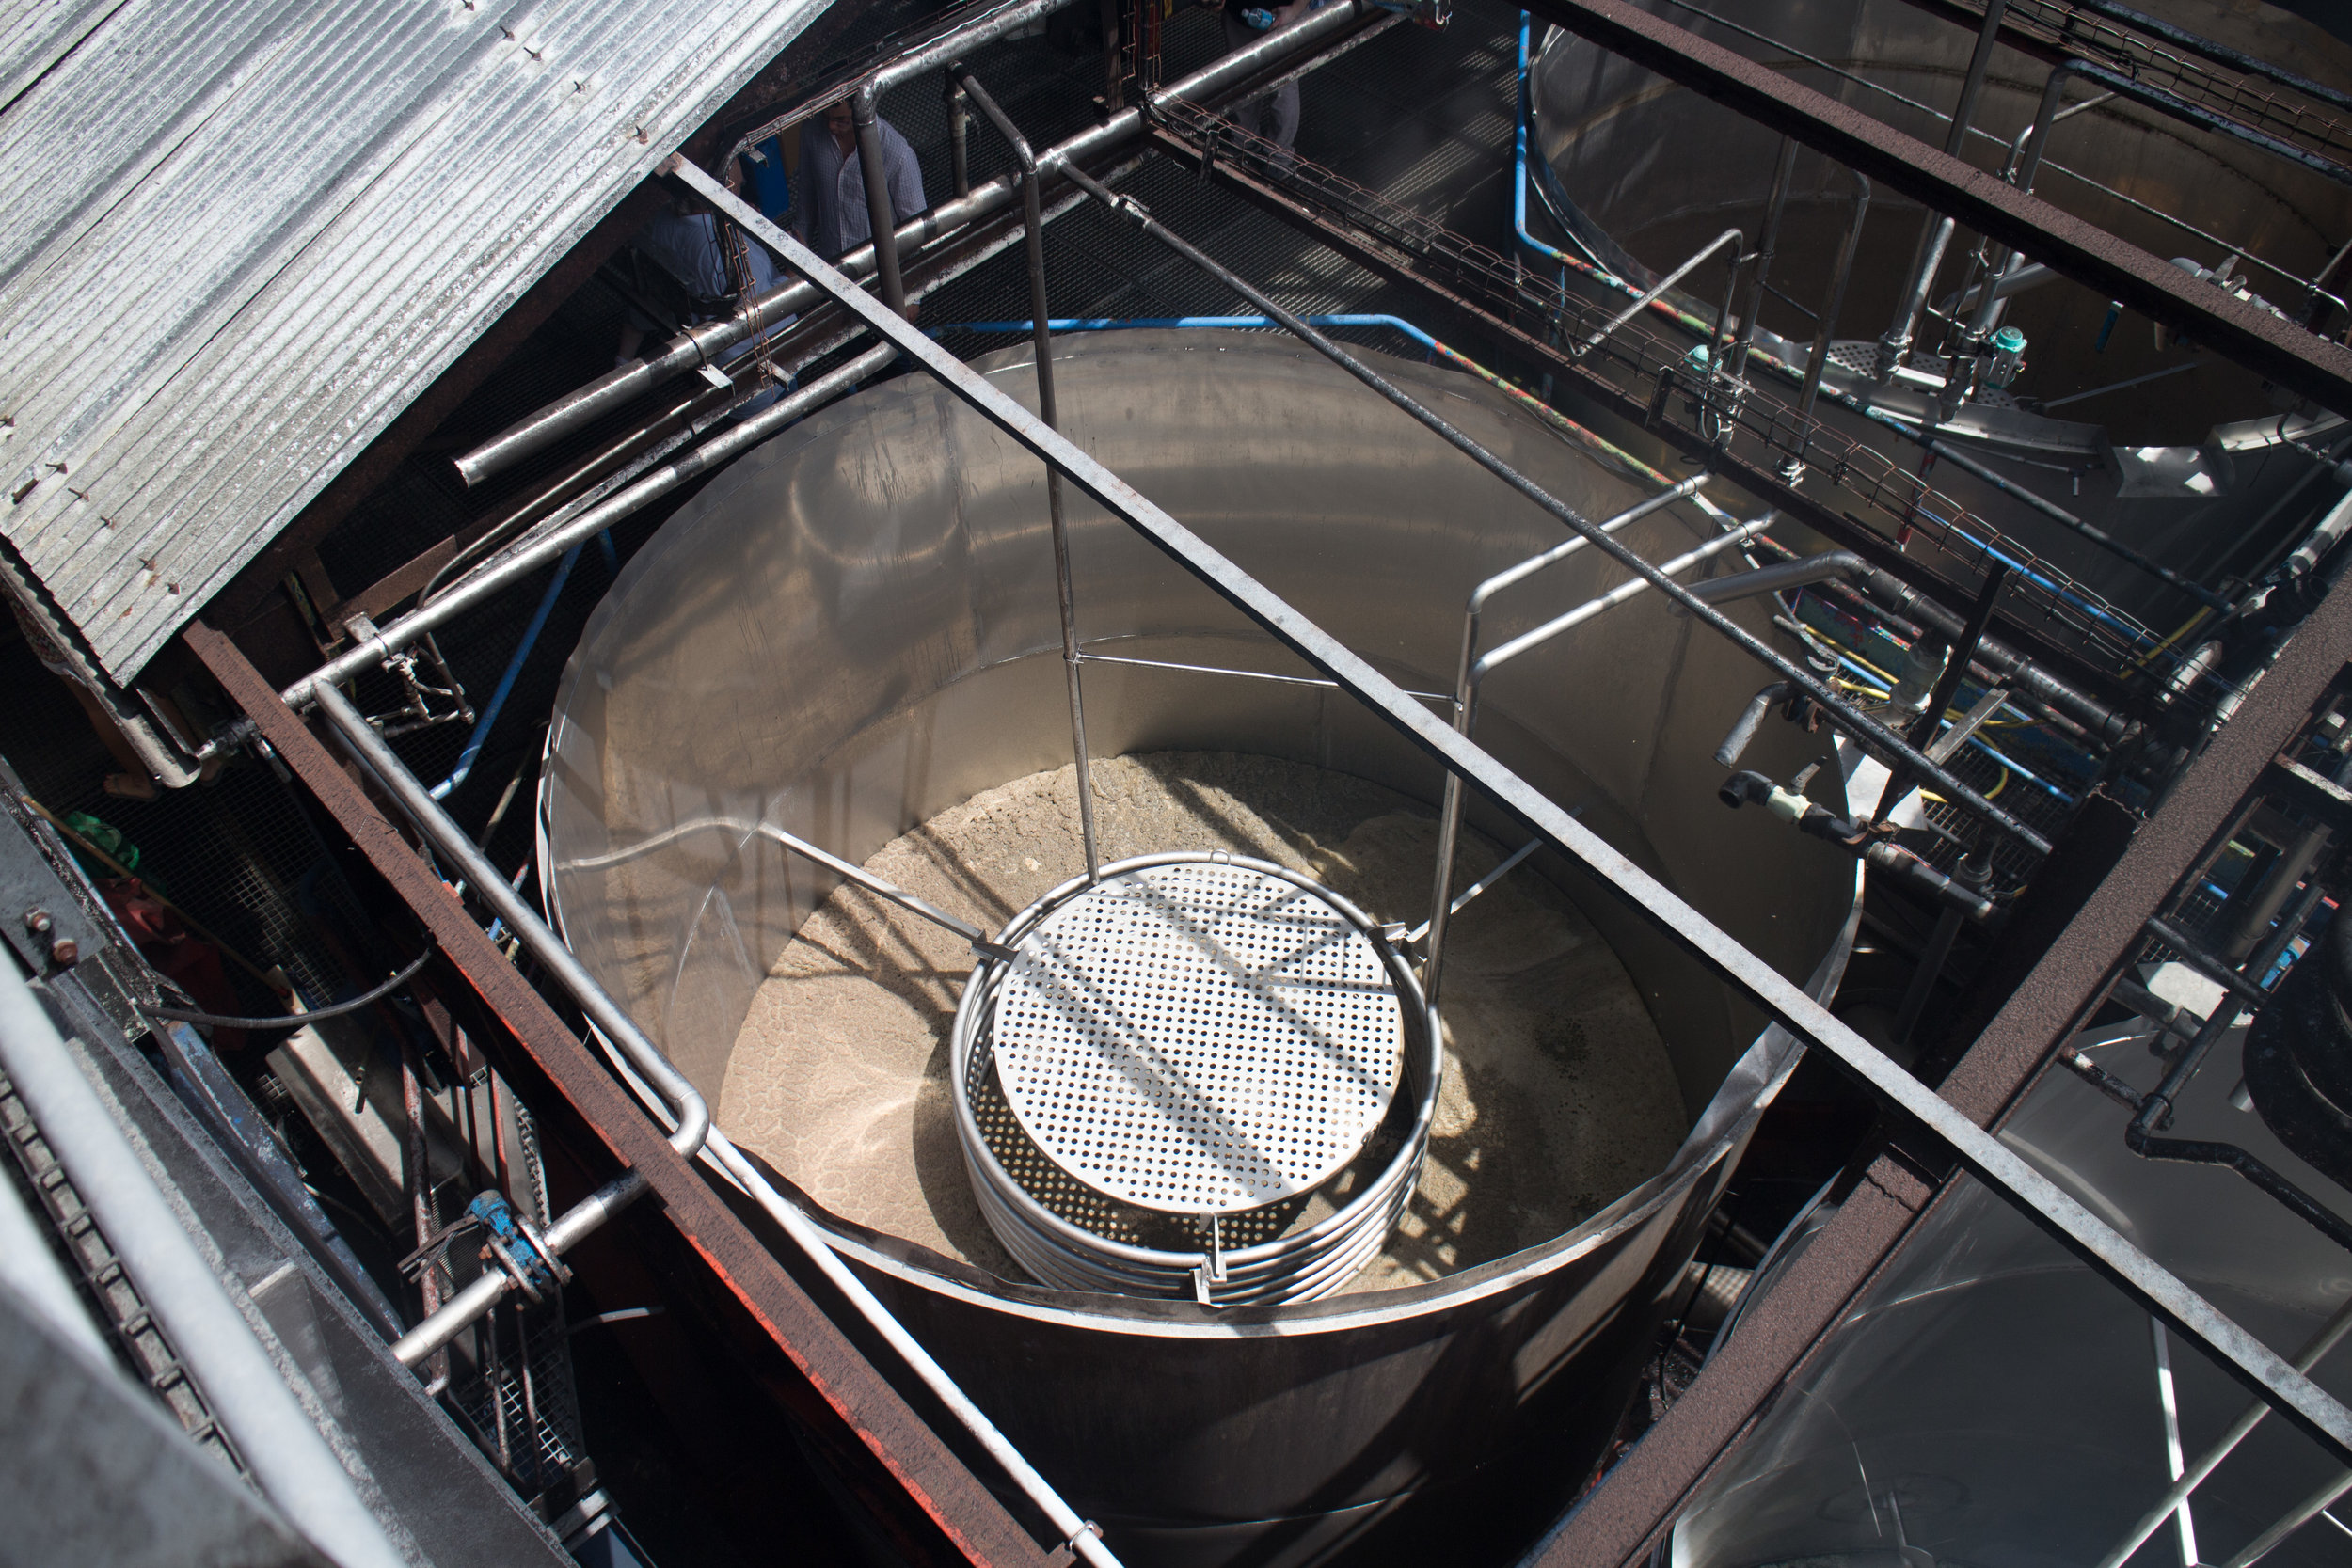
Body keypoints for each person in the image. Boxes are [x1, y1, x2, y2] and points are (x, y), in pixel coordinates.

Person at [613, 153, 790, 409]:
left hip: (717, 372)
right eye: (736, 188)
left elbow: (646, 295)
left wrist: (622, 363)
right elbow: (762, 307)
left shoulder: (661, 225)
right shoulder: (725, 253)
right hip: (764, 376)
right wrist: (791, 277)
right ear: (715, 194)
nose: (741, 193)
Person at [795, 98, 926, 318]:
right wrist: (797, 261)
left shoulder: (897, 154)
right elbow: (806, 201)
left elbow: (918, 232)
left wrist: (913, 296)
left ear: (863, 111)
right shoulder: (811, 133)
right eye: (826, 117)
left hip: (882, 285)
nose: (830, 127)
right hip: (832, 280)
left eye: (841, 121)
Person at [1215, 0, 1314, 165]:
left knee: (1283, 87)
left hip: (1280, 15)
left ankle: (1278, 156)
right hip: (1239, 13)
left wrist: (1295, 10)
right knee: (1242, 82)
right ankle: (1244, 141)